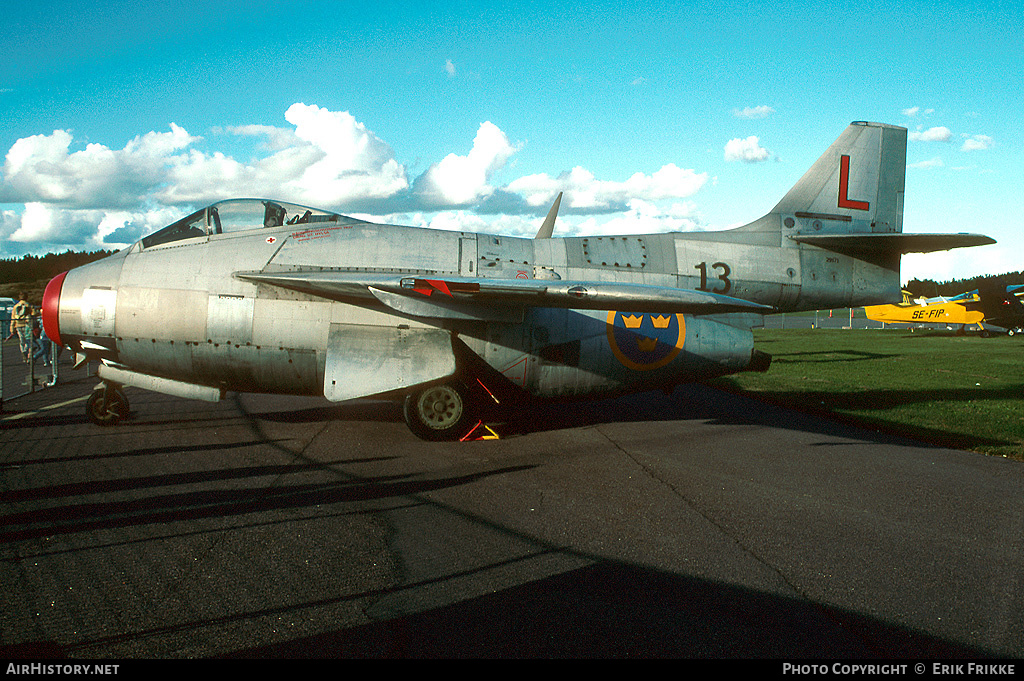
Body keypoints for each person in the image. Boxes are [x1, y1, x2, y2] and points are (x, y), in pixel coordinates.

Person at [9, 292, 32, 363]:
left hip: (18, 325)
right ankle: (28, 354)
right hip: (27, 325)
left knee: (22, 341)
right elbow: (33, 313)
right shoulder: (28, 305)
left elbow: (13, 318)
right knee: (28, 340)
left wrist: (12, 328)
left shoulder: (16, 306)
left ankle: (23, 352)